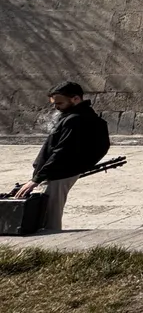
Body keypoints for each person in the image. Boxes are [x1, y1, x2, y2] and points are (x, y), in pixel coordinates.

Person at [14, 82, 111, 232]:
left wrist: (36, 180)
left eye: (59, 103)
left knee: (49, 216)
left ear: (76, 99)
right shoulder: (79, 116)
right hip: (59, 171)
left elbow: (61, 151)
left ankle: (50, 244)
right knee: (48, 212)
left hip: (58, 173)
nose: (56, 107)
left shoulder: (75, 119)